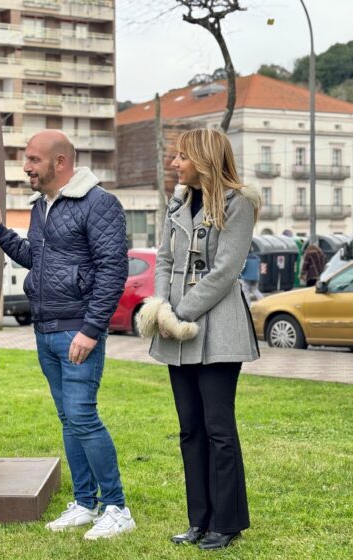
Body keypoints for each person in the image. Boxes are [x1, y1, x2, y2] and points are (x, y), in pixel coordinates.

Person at [0, 130, 135, 540]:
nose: (26, 167)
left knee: (83, 416)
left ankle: (117, 507)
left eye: (33, 159)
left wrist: (91, 330)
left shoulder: (99, 204)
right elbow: (36, 256)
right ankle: (85, 503)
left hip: (77, 330)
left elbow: (112, 270)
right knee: (69, 420)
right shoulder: (41, 206)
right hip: (46, 327)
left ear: (60, 162)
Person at [137, 128, 260, 550]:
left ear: (204, 159)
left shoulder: (238, 204)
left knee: (218, 429)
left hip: (219, 331)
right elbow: (165, 259)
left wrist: (178, 313)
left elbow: (226, 272)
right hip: (177, 333)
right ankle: (199, 520)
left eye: (181, 157)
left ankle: (227, 522)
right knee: (190, 429)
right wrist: (161, 306)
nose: (174, 164)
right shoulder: (179, 201)